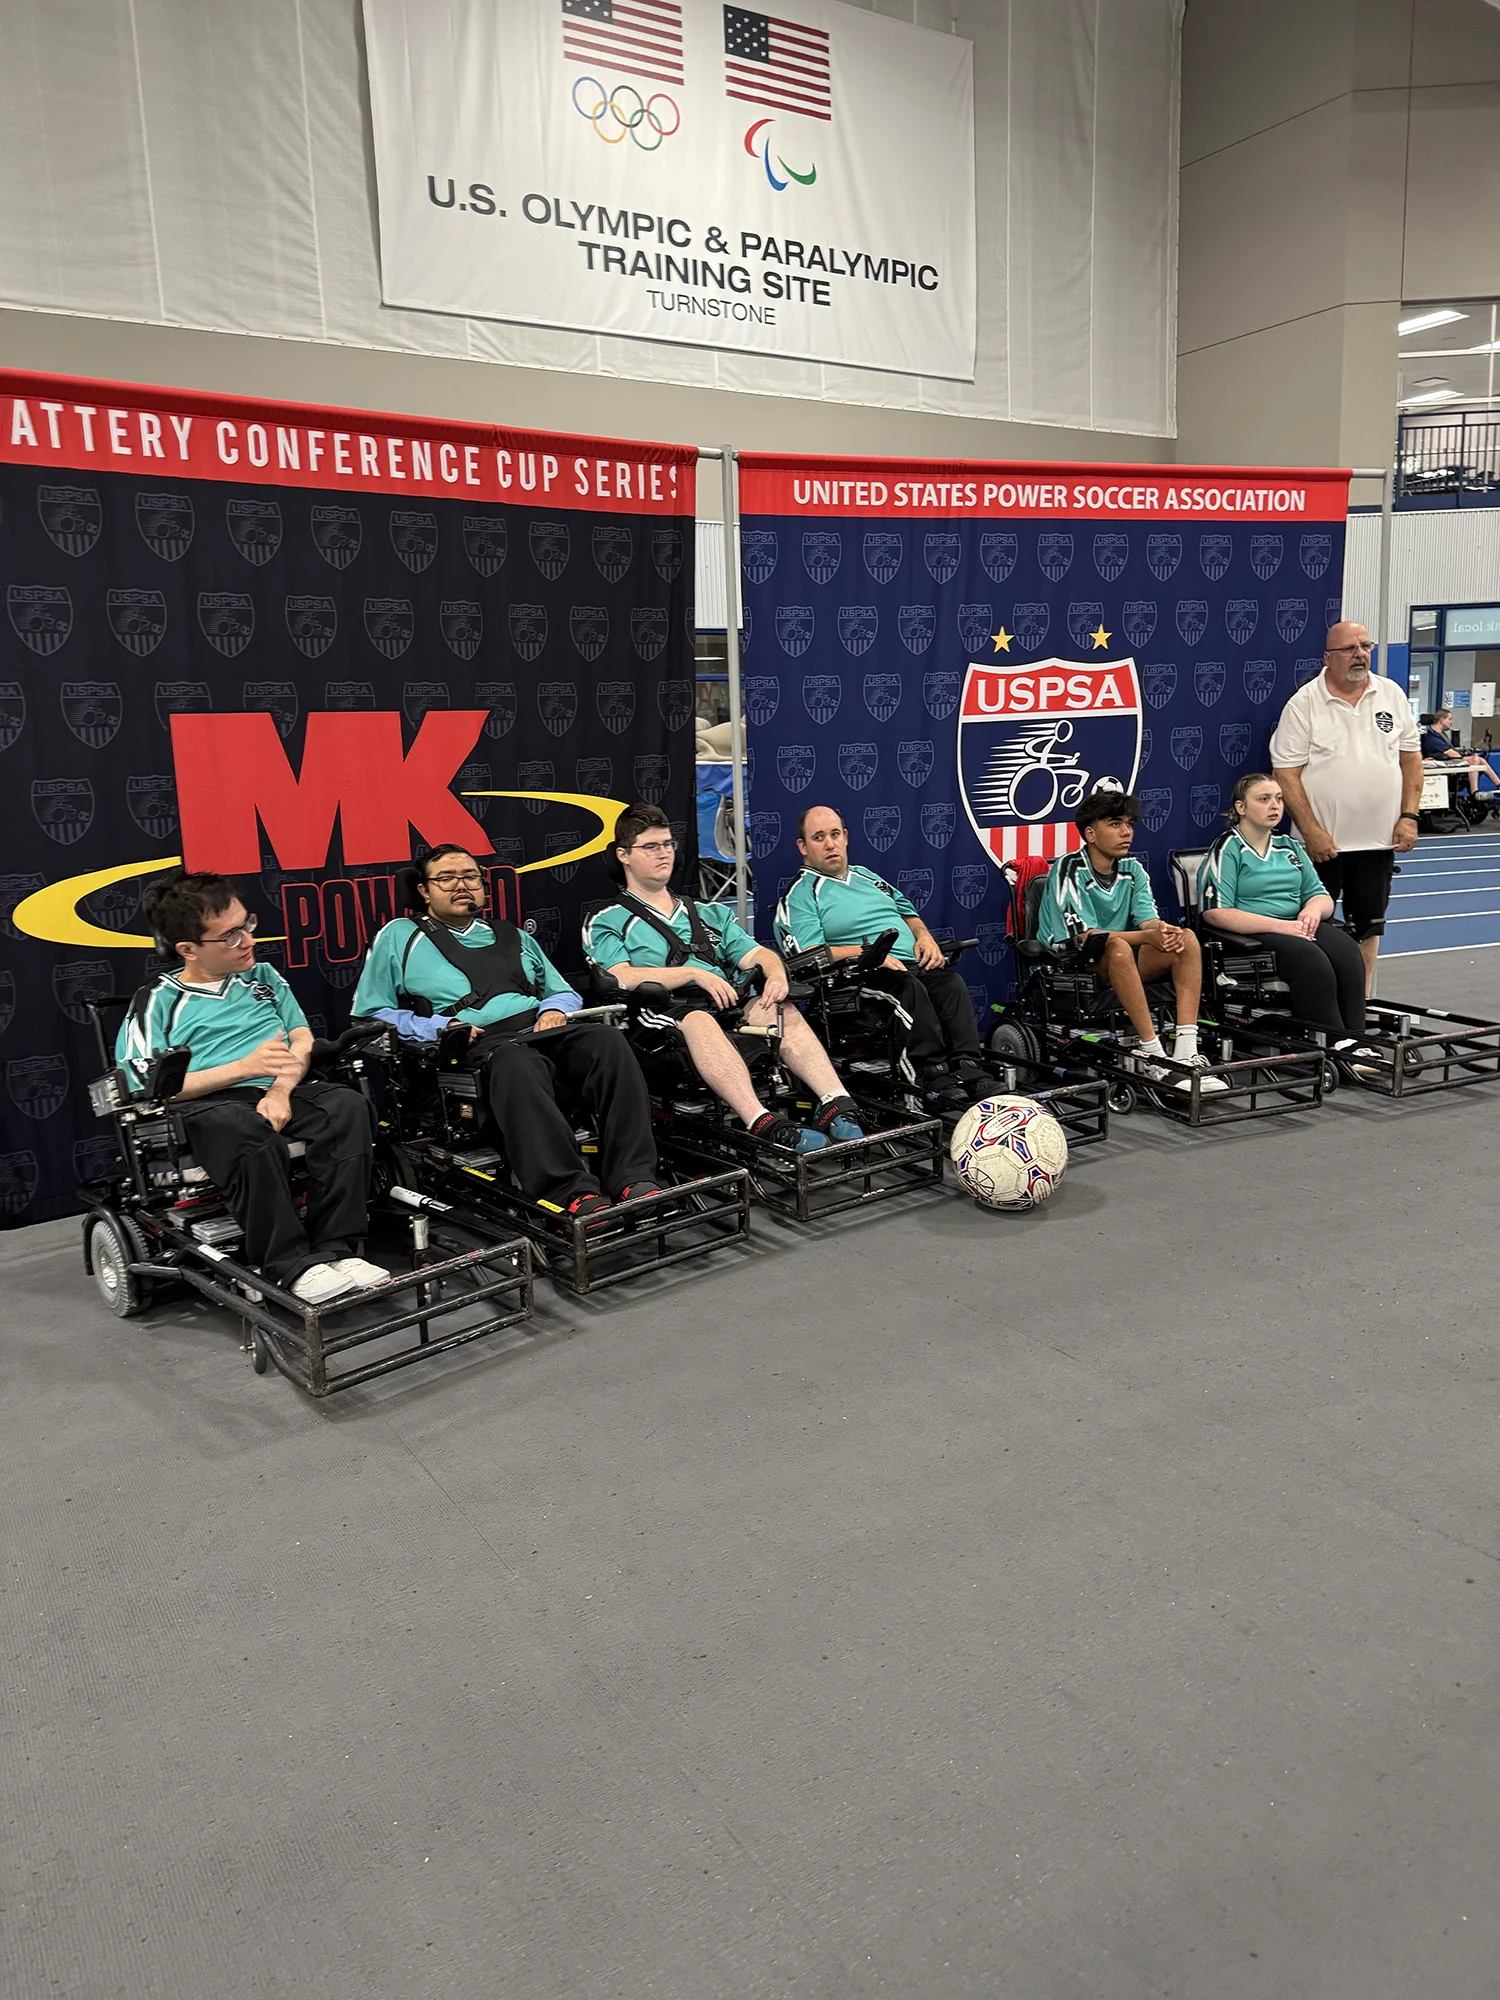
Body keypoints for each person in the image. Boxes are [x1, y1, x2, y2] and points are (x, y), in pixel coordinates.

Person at [352, 843, 662, 1226]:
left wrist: (553, 1009)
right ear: (423, 890)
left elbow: (562, 990)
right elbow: (370, 1014)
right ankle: (570, 1192)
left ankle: (634, 1178)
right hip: (474, 1047)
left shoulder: (511, 934)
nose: (460, 885)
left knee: (607, 1042)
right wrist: (440, 1026)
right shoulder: (400, 935)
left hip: (538, 1030)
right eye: (446, 878)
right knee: (517, 1060)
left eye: (469, 877)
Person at [116, 871, 381, 1306]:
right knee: (246, 1131)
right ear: (188, 949)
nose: (248, 941)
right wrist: (243, 1068)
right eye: (231, 936)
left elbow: (300, 1038)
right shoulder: (158, 1000)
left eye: (247, 925)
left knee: (346, 1107)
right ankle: (287, 1263)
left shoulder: (263, 977)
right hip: (205, 1104)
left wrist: (278, 1091)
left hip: (280, 1087)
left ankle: (338, 1249)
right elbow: (143, 1084)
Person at [585, 802, 864, 1153]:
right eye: (651, 846)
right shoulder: (606, 918)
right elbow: (619, 976)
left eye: (667, 844)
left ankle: (836, 1103)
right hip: (657, 1017)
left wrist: (776, 975)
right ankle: (761, 1121)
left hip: (724, 1006)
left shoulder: (709, 912)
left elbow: (759, 954)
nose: (663, 853)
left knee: (775, 1006)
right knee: (698, 1019)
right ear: (623, 855)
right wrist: (691, 973)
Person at [774, 805, 999, 1113]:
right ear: (803, 846)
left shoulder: (866, 876)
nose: (830, 844)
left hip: (907, 967)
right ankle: (929, 1074)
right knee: (906, 987)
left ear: (846, 837)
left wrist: (924, 937)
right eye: (818, 837)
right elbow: (806, 955)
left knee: (949, 983)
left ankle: (968, 1066)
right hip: (854, 981)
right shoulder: (800, 895)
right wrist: (868, 954)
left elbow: (907, 912)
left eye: (835, 834)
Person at [1034, 791, 1227, 1092]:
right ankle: (1151, 1053)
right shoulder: (1068, 869)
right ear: (1090, 834)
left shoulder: (1132, 867)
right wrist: (1147, 936)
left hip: (1124, 958)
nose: (1126, 832)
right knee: (1118, 948)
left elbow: (1148, 920)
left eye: (1129, 824)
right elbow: (1086, 936)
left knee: (1186, 938)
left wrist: (1163, 931)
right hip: (1075, 965)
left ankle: (1186, 1051)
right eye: (1115, 824)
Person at [1270, 620, 1424, 991]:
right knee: (1311, 929)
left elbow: (1411, 761)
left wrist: (1409, 816)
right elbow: (1285, 774)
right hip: (1321, 847)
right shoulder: (1304, 703)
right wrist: (1311, 831)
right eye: (1349, 649)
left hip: (1378, 843)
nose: (1360, 655)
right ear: (1328, 657)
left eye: (1365, 646)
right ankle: (1317, 1007)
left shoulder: (1391, 694)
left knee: (1368, 929)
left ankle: (1361, 1006)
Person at [1197, 774, 1371, 1048]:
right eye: (1264, 799)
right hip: (1254, 934)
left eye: (1278, 799)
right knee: (1310, 959)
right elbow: (1216, 912)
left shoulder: (1288, 845)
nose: (1274, 806)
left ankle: (1357, 1040)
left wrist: (1312, 910)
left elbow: (1321, 896)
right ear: (1241, 808)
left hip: (1297, 926)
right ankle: (1336, 1042)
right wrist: (1282, 927)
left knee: (1347, 951)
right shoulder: (1228, 848)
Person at [1419, 709, 1500, 788]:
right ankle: (1474, 791)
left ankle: (1498, 783)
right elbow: (1453, 754)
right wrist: (1465, 755)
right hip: (1440, 762)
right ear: (1442, 720)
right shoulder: (1433, 738)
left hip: (1445, 760)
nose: (1451, 722)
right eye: (1449, 719)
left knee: (1481, 760)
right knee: (1474, 759)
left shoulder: (1441, 734)